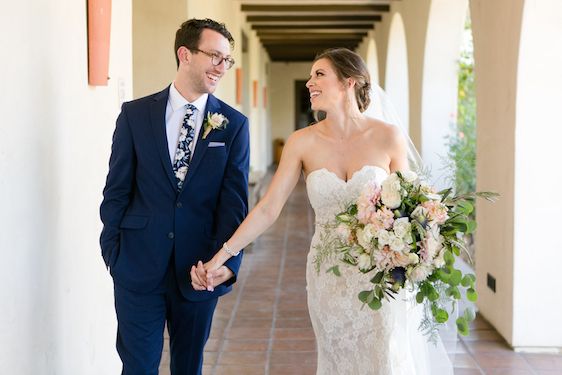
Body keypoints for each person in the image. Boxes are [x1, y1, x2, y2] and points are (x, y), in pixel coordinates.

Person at [193, 48, 453, 374]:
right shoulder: (301, 142)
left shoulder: (388, 137)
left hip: (380, 277)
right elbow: (268, 209)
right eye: (310, 75)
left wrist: (415, 245)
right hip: (327, 275)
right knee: (336, 359)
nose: (309, 83)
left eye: (320, 74)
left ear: (349, 82)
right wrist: (221, 256)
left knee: (384, 357)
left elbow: (410, 207)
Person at [99, 18, 249, 375]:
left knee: (188, 367)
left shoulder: (233, 125)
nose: (221, 67)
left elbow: (234, 206)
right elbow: (117, 191)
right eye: (215, 56)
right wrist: (113, 253)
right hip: (137, 267)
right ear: (185, 54)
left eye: (227, 60)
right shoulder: (135, 115)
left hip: (199, 272)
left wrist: (225, 267)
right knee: (138, 368)